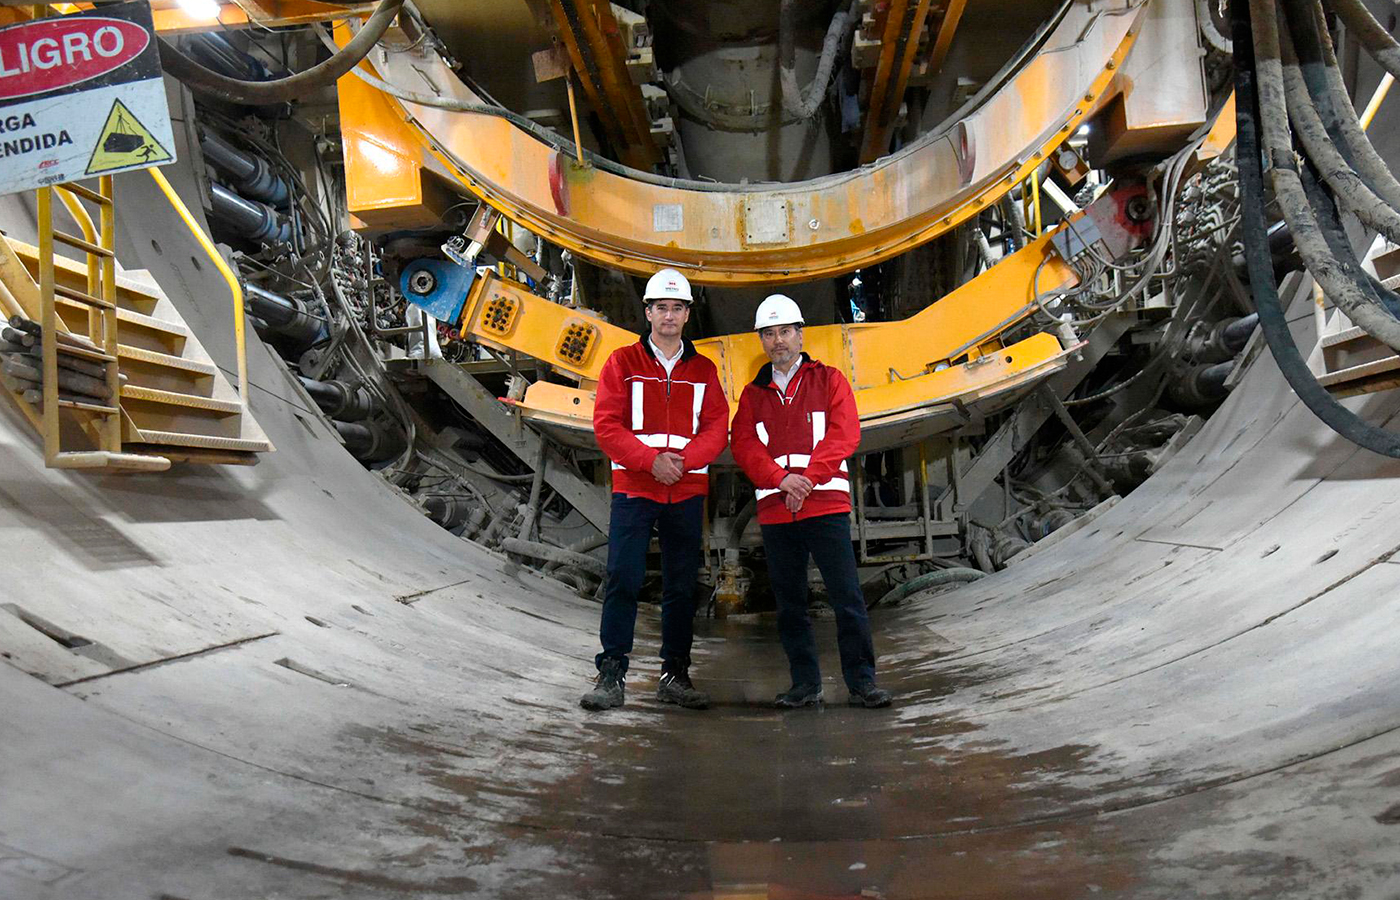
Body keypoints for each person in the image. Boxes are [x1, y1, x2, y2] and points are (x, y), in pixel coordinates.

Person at [730, 294, 893, 709]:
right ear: (761, 341)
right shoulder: (752, 395)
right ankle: (805, 684)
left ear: (800, 335)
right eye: (768, 334)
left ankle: (862, 683)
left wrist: (806, 480)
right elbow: (745, 446)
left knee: (847, 599)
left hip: (825, 506)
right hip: (777, 512)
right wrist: (781, 480)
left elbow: (844, 433)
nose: (777, 341)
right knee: (790, 606)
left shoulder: (830, 381)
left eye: (785, 331)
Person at [580, 267, 730, 712]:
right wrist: (651, 462)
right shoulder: (621, 363)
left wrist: (683, 463)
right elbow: (606, 426)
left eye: (677, 308)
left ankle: (675, 675)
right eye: (661, 307)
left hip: (684, 491)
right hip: (635, 490)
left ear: (687, 315)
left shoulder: (703, 369)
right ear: (647, 312)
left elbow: (716, 426)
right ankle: (611, 674)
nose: (669, 315)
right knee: (623, 578)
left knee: (682, 586)